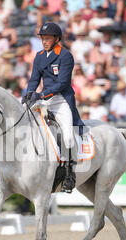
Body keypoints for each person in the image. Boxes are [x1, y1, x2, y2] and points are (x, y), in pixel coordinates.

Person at [22, 22, 84, 193]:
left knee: (68, 137)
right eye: (43, 38)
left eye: (48, 38)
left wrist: (41, 95)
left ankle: (70, 174)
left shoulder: (65, 56)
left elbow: (63, 83)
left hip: (61, 101)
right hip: (44, 100)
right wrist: (29, 93)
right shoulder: (40, 55)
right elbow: (34, 79)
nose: (44, 42)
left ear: (57, 39)